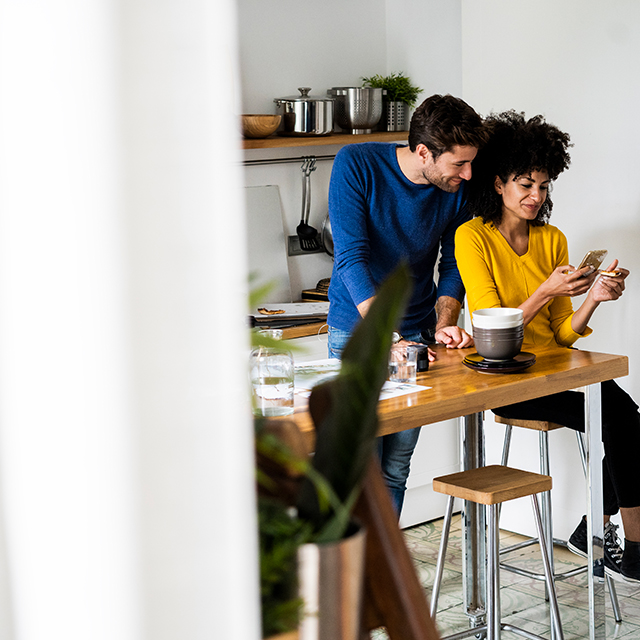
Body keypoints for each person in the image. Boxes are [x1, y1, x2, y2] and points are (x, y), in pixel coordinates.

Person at [455, 110, 640, 583]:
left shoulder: (552, 238)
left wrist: (593, 298)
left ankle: (604, 533)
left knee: (629, 420)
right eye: (525, 185)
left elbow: (561, 334)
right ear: (499, 183)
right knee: (622, 420)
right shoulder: (472, 237)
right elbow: (489, 327)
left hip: (553, 368)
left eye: (543, 186)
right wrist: (545, 290)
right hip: (505, 377)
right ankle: (620, 542)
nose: (536, 196)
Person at [326, 94, 486, 514]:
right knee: (360, 468)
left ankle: (387, 557)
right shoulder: (356, 164)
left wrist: (444, 323)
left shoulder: (455, 189)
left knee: (395, 469)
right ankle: (356, 558)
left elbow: (452, 262)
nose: (468, 174)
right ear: (423, 152)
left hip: (416, 334)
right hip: (358, 333)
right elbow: (351, 257)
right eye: (459, 164)